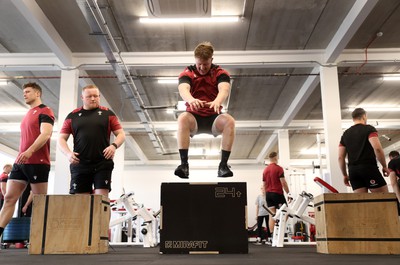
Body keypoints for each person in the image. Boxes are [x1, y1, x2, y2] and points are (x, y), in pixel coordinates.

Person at [0, 82, 55, 238]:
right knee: (9, 198)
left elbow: (45, 134)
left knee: (40, 203)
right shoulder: (27, 114)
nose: (24, 94)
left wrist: (30, 151)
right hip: (20, 163)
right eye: (24, 92)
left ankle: (43, 238)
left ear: (37, 93)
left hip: (38, 163)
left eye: (28, 91)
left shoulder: (45, 111)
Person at [174, 41, 235, 179]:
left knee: (229, 121)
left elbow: (224, 89)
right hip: (194, 118)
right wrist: (191, 100)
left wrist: (217, 102)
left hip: (214, 118)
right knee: (182, 117)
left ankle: (223, 166)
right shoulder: (188, 72)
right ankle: (184, 165)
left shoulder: (220, 72)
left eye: (205, 64)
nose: (202, 68)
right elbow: (183, 88)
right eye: (199, 64)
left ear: (211, 60)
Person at [58, 84, 125, 198]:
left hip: (102, 163)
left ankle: (100, 216)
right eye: (89, 96)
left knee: (101, 201)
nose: (93, 98)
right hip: (80, 163)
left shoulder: (108, 114)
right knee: (81, 202)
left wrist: (113, 146)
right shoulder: (72, 116)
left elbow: (121, 134)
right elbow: (61, 138)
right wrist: (68, 153)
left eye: (96, 96)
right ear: (82, 98)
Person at [338, 108, 389, 193]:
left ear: (353, 118)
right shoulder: (369, 129)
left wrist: (345, 175)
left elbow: (340, 157)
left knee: (361, 204)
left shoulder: (345, 134)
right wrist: (384, 166)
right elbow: (377, 148)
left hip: (353, 172)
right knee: (384, 201)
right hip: (368, 168)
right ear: (364, 116)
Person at [263, 151, 292, 235]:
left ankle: (272, 236)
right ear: (276, 158)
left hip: (268, 194)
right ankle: (279, 229)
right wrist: (289, 193)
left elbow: (264, 185)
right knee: (286, 212)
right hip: (277, 194)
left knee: (272, 215)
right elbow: (283, 182)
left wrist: (265, 197)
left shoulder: (265, 170)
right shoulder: (278, 168)